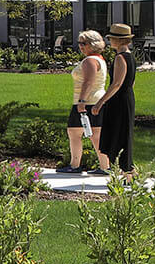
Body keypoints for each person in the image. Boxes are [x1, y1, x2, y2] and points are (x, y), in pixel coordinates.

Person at [59, 30, 107, 174]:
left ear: (92, 44)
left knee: (76, 133)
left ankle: (75, 165)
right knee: (93, 135)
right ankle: (105, 166)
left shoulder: (90, 61)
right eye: (79, 43)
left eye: (83, 43)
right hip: (95, 100)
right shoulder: (99, 59)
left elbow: (88, 82)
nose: (80, 46)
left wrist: (81, 102)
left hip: (88, 101)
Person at [94, 22, 139, 175]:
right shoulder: (130, 57)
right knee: (123, 133)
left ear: (119, 40)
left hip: (119, 100)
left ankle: (128, 170)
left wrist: (100, 102)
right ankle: (127, 170)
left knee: (119, 133)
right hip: (126, 98)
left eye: (112, 38)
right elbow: (131, 82)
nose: (109, 41)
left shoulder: (120, 58)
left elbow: (117, 83)